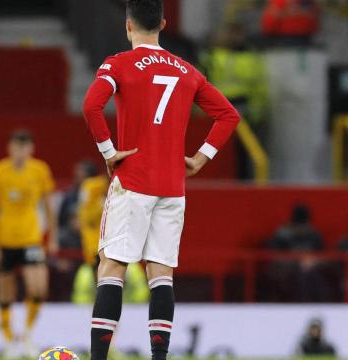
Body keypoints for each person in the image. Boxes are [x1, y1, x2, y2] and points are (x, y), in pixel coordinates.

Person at [81, 1, 240, 359]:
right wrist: (200, 158)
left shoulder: (118, 64)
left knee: (112, 266)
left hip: (134, 180)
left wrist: (109, 152)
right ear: (164, 24)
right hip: (172, 187)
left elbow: (91, 106)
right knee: (161, 275)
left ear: (128, 26)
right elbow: (228, 116)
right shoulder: (188, 71)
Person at [0, 130, 57, 358]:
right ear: (10, 148)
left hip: (31, 239)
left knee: (38, 288)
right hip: (5, 241)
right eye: (16, 146)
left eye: (24, 147)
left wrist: (52, 237)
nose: (20, 151)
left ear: (31, 149)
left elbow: (47, 205)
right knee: (5, 293)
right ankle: (9, 342)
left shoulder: (40, 170)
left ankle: (26, 335)